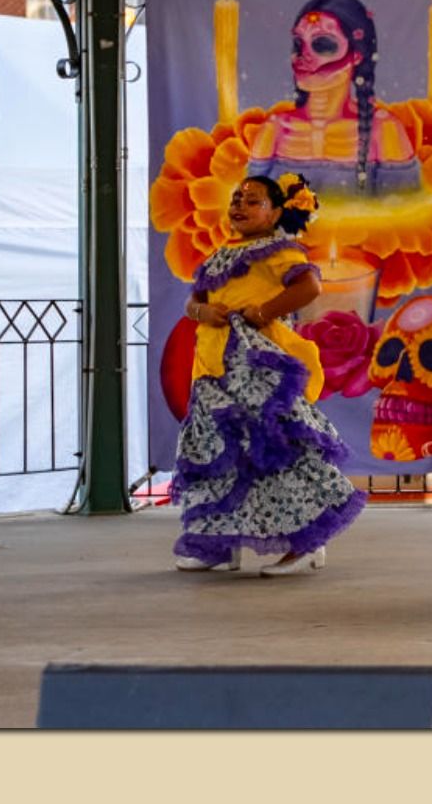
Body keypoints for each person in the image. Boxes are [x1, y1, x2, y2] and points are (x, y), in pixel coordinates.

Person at [171, 172, 367, 576]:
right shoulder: (222, 251)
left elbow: (310, 287)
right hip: (213, 366)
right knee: (216, 451)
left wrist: (261, 313)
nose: (239, 205)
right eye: (236, 198)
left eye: (253, 200)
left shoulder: (279, 251)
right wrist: (201, 312)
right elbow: (195, 299)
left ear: (276, 212)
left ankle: (307, 542)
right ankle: (218, 543)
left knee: (275, 447)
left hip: (259, 366)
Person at [244, 0, 419, 196]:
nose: (303, 56)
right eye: (298, 44)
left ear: (356, 55)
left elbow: (404, 216)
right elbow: (249, 214)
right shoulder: (274, 130)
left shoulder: (385, 130)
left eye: (323, 45)